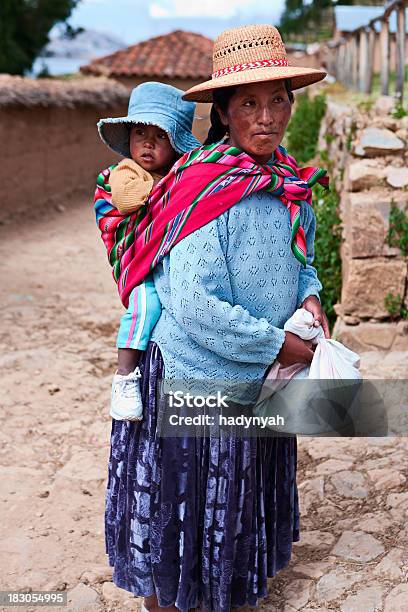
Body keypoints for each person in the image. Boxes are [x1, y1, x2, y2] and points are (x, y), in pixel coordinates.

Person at [104, 24, 330, 612]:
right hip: (201, 375)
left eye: (277, 100)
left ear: (291, 104)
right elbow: (195, 306)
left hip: (262, 378)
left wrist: (310, 300)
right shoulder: (202, 185)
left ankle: (228, 586)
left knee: (243, 497)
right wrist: (278, 345)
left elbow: (304, 261)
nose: (266, 116)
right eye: (249, 103)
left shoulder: (289, 181)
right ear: (224, 112)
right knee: (194, 508)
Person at [95, 82, 200, 421]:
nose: (149, 143)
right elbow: (126, 203)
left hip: (169, 261)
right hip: (140, 263)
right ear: (128, 137)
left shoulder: (180, 176)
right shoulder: (127, 171)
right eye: (141, 132)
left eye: (161, 135)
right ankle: (125, 375)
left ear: (177, 143)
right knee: (145, 304)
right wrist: (163, 191)